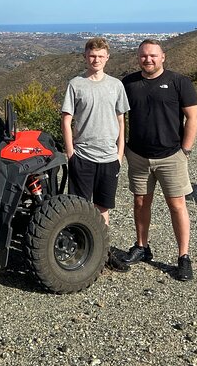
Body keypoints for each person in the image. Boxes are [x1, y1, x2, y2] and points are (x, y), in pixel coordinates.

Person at [121, 39, 197, 281]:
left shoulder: (179, 82)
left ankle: (183, 257)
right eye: (144, 56)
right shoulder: (129, 83)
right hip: (138, 155)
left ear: (163, 57)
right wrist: (123, 148)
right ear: (138, 58)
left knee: (177, 206)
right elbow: (119, 116)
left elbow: (192, 118)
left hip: (171, 156)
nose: (148, 59)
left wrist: (184, 150)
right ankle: (142, 247)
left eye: (153, 55)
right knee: (140, 203)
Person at [61, 37, 130, 272]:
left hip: (109, 158)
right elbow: (67, 119)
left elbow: (121, 120)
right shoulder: (76, 84)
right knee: (79, 207)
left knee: (102, 208)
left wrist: (120, 154)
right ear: (85, 56)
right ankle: (79, 253)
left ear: (107, 58)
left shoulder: (116, 85)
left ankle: (102, 254)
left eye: (100, 56)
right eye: (92, 56)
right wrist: (71, 153)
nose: (96, 60)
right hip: (83, 156)